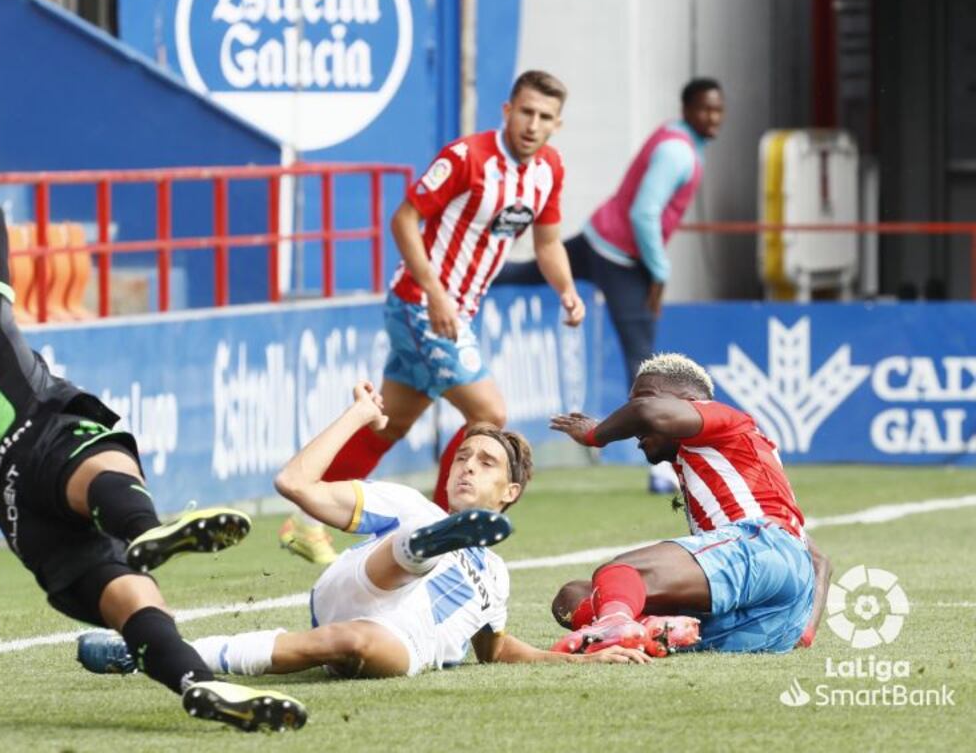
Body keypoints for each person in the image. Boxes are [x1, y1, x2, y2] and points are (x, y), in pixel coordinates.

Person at [0, 152, 307, 733]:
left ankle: (195, 681)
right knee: (91, 459)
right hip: (44, 444)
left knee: (135, 607)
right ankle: (142, 528)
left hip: (32, 536)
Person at [80, 381, 646, 679]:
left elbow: (495, 651)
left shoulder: (497, 578)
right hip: (358, 587)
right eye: (463, 457)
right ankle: (420, 548)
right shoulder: (403, 499)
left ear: (510, 494)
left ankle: (149, 655)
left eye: (486, 462)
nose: (468, 465)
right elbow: (295, 483)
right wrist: (357, 416)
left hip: (403, 644)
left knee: (353, 643)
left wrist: (580, 660)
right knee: (408, 542)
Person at [280, 70, 586, 564]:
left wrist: (567, 290)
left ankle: (305, 522)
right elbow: (404, 219)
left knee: (388, 425)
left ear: (557, 124)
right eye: (525, 112)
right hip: (421, 304)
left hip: (451, 310)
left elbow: (547, 242)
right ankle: (444, 529)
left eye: (545, 117)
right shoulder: (467, 158)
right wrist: (435, 292)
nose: (533, 124)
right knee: (489, 415)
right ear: (507, 111)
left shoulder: (549, 169)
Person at [497, 78, 725, 494]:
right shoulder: (678, 152)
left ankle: (468, 275)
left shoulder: (675, 137)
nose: (713, 118)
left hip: (601, 237)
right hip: (622, 257)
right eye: (706, 109)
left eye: (718, 110)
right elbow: (643, 214)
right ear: (687, 108)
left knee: (529, 271)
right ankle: (661, 467)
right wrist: (659, 272)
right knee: (649, 366)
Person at [546, 353, 832, 655]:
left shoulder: (724, 417)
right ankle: (652, 629)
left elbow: (645, 412)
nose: (634, 424)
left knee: (622, 571)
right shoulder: (731, 461)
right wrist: (806, 632)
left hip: (762, 551)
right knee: (574, 596)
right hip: (765, 623)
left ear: (691, 401)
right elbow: (820, 561)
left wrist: (595, 434)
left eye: (646, 397)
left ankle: (617, 624)